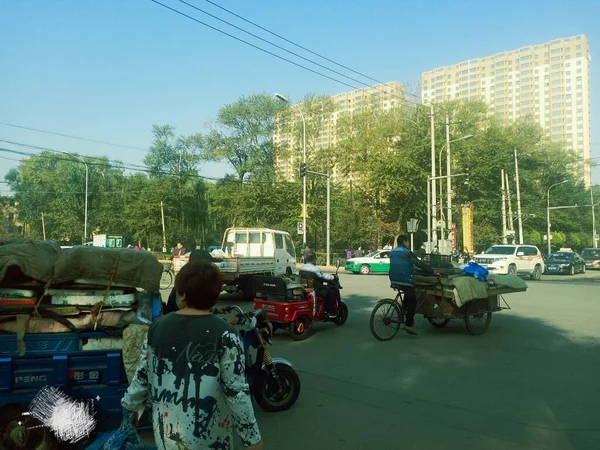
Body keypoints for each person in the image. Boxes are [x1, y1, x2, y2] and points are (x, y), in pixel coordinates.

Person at [121, 259, 264, 450]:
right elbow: (237, 393)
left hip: (166, 438)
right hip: (211, 439)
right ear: (214, 295)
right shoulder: (226, 334)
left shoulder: (157, 329)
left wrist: (128, 409)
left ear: (182, 295)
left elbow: (141, 379)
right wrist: (252, 439)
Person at [389, 235, 436, 336]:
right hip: (405, 280)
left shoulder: (393, 252)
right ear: (405, 241)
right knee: (413, 300)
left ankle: (403, 312)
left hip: (394, 279)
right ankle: (409, 324)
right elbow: (419, 263)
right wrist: (432, 271)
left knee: (408, 295)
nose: (409, 243)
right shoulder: (407, 252)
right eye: (408, 241)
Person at [164, 249, 222, 315]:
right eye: (209, 264)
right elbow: (192, 310)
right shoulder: (190, 284)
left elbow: (200, 306)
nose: (211, 266)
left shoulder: (187, 279)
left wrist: (214, 310)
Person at [299, 250, 338, 317]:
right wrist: (333, 277)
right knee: (331, 291)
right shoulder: (315, 269)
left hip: (305, 289)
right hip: (317, 290)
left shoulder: (302, 268)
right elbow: (323, 276)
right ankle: (328, 311)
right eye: (315, 259)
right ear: (314, 259)